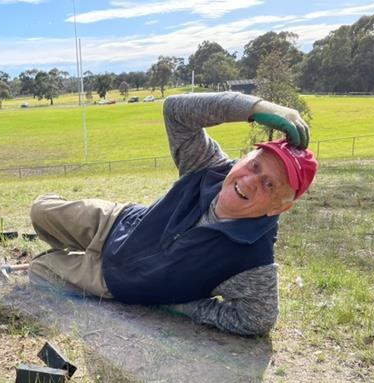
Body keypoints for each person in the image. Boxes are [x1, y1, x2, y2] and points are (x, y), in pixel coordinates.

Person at [28, 92, 318, 336]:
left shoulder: (252, 258)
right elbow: (175, 110)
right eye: (254, 166)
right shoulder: (209, 166)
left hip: (117, 280)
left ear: (280, 207)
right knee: (41, 210)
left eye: (269, 184)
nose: (251, 180)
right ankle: (76, 244)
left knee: (39, 270)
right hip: (118, 222)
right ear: (245, 159)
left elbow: (258, 319)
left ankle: (68, 258)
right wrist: (255, 108)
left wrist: (185, 306)